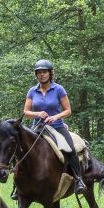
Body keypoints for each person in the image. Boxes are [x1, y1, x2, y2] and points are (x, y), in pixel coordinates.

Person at [23, 59, 87, 195]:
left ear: (50, 73)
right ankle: (18, 186)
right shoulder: (32, 91)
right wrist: (37, 113)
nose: (42, 75)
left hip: (57, 127)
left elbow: (68, 110)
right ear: (36, 75)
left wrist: (56, 117)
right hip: (38, 128)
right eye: (39, 72)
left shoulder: (58, 89)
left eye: (44, 72)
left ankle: (78, 180)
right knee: (22, 151)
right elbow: (26, 112)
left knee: (70, 150)